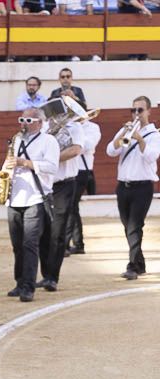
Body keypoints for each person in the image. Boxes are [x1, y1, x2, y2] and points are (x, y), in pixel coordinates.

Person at [3, 108, 58, 302]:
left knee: (30, 244)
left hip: (35, 198)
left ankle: (29, 287)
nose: (24, 123)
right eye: (21, 119)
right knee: (17, 245)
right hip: (14, 198)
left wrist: (26, 163)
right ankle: (20, 282)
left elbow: (52, 166)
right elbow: (8, 163)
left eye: (28, 120)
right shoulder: (17, 139)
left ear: (40, 122)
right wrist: (3, 173)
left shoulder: (49, 141)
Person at [107, 97, 158, 280]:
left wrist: (140, 140)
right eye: (134, 110)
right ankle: (140, 263)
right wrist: (122, 137)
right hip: (123, 187)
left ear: (149, 111)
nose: (136, 114)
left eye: (140, 110)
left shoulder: (154, 135)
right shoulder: (126, 130)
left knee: (134, 227)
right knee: (128, 226)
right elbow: (110, 151)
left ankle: (133, 266)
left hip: (142, 187)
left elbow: (151, 157)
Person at [39, 107, 86, 292]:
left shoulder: (74, 128)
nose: (54, 116)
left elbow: (75, 150)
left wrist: (50, 160)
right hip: (44, 185)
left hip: (64, 184)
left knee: (57, 233)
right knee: (43, 232)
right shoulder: (44, 129)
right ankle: (45, 274)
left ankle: (52, 277)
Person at [67, 106, 101, 256]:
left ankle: (67, 244)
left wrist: (76, 130)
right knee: (72, 207)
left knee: (71, 206)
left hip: (82, 171)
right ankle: (78, 243)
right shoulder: (70, 126)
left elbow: (86, 146)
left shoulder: (92, 127)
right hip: (70, 170)